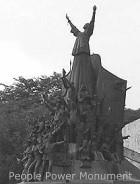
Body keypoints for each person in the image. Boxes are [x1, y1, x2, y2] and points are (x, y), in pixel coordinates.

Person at [66, 6, 97, 98]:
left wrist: (94, 13)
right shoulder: (79, 34)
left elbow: (92, 23)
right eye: (87, 27)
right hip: (77, 56)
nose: (87, 28)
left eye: (88, 27)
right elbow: (73, 27)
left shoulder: (87, 34)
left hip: (84, 55)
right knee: (76, 74)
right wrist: (69, 20)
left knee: (84, 73)